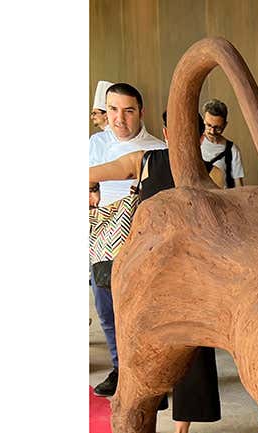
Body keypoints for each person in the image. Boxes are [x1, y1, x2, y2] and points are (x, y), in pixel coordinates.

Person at [89, 110, 221, 433]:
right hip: (192, 275)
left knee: (144, 349)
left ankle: (143, 429)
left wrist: (93, 195)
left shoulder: (144, 160)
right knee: (192, 350)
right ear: (201, 136)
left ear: (165, 132)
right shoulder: (213, 173)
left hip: (148, 277)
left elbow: (89, 174)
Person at [88, 82, 166, 397]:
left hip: (141, 241)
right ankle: (121, 370)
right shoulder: (95, 143)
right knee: (106, 310)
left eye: (128, 111)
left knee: (141, 313)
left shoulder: (157, 149)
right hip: (102, 237)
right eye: (113, 110)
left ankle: (149, 378)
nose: (120, 119)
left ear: (141, 113)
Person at [200, 99, 246, 187]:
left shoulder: (232, 150)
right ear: (203, 120)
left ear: (225, 125)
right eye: (209, 125)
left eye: (217, 128)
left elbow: (238, 186)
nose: (212, 131)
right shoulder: (194, 143)